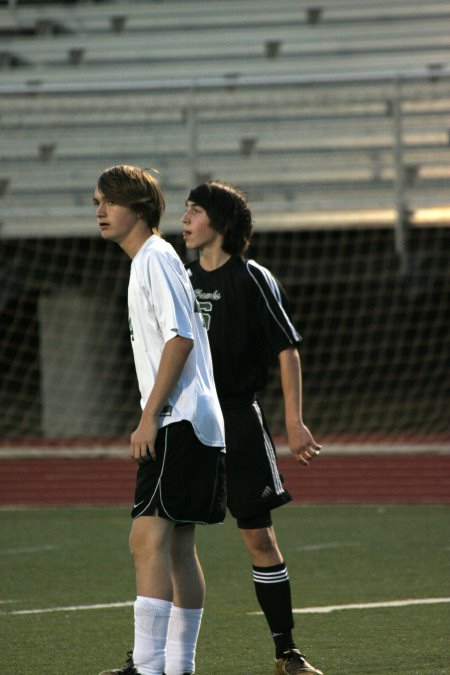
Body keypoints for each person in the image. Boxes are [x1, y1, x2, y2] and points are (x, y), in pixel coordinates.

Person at [181, 180, 323, 675]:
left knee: (260, 539)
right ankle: (155, 655)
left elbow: (287, 349)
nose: (185, 220)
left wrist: (293, 422)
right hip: (187, 423)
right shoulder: (181, 277)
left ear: (219, 222)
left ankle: (286, 652)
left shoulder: (252, 278)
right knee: (163, 540)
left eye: (195, 211)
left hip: (238, 421)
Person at [93, 165, 226, 675]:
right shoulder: (156, 259)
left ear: (139, 208)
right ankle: (177, 667)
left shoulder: (153, 258)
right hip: (196, 420)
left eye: (109, 201)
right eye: (96, 203)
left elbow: (180, 339)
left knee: (145, 540)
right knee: (177, 547)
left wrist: (149, 418)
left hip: (178, 420)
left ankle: (149, 667)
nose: (101, 211)